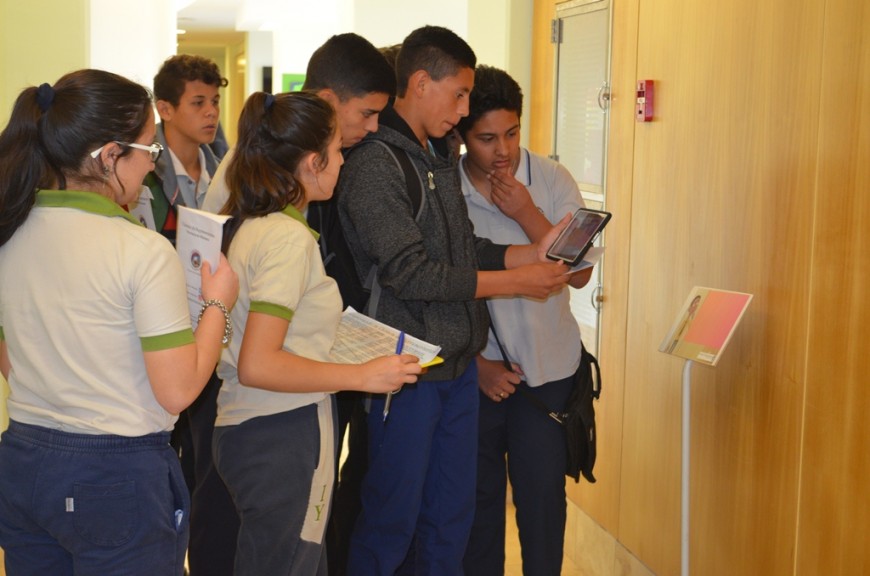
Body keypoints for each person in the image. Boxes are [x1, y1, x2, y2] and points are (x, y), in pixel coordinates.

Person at [336, 26, 574, 575]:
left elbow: (465, 248)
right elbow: (411, 273)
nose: (464, 111)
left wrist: (528, 255)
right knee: (393, 523)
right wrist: (517, 282)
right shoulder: (375, 162)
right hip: (407, 370)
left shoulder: (438, 151)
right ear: (421, 84)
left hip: (457, 368)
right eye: (459, 95)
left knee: (451, 523)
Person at [0, 69, 238, 576]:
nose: (152, 165)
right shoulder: (139, 249)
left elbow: (11, 361)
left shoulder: (10, 232)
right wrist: (218, 304)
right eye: (149, 150)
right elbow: (177, 392)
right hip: (115, 475)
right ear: (110, 155)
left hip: (23, 461)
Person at [211, 91, 422, 576]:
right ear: (312, 163)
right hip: (280, 431)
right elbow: (259, 363)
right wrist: (362, 376)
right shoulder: (285, 239)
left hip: (262, 427)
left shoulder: (259, 225)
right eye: (339, 150)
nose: (344, 161)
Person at [456, 65, 592, 576]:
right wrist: (478, 366)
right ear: (462, 134)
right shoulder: (447, 188)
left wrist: (527, 212)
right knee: (477, 508)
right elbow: (440, 284)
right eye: (487, 138)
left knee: (542, 507)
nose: (504, 150)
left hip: (548, 375)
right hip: (475, 376)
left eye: (512, 133)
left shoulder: (552, 178)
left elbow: (580, 276)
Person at [138, 54, 238, 576]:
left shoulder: (228, 168)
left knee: (207, 467)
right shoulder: (142, 174)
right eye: (198, 102)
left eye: (215, 101)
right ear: (165, 109)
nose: (211, 113)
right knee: (164, 460)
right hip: (160, 332)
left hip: (213, 328)